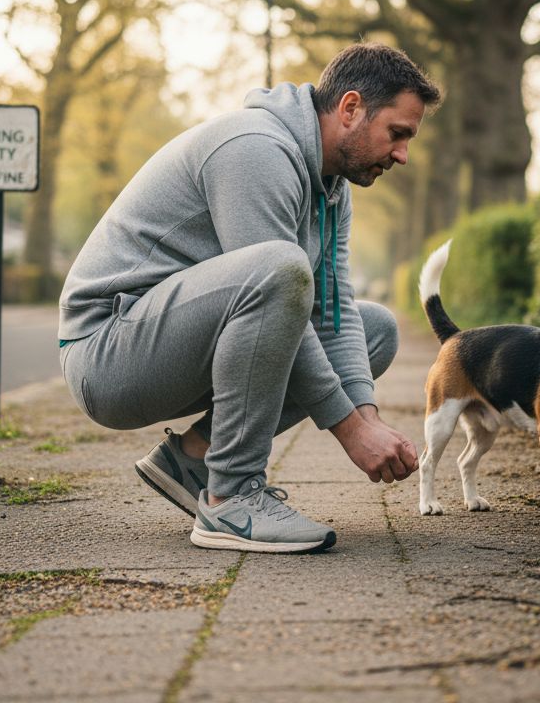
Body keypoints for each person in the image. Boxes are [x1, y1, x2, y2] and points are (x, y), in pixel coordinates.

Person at [58, 43, 441, 554]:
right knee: (280, 268)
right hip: (107, 354)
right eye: (397, 133)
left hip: (174, 343)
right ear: (351, 108)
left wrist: (366, 416)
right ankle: (231, 496)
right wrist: (349, 429)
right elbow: (275, 285)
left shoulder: (332, 188)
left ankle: (195, 458)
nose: (402, 155)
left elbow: (331, 309)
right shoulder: (255, 149)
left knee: (375, 330)